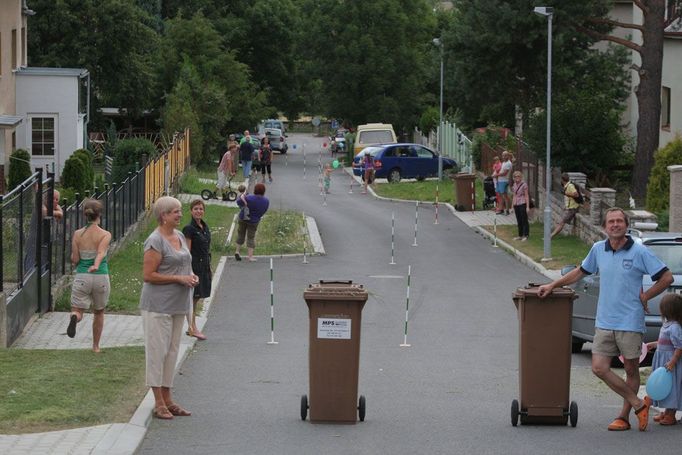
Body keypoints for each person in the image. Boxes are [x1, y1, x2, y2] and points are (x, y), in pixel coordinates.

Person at [538, 208, 674, 431]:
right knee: (599, 368)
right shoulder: (598, 249)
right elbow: (580, 272)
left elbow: (666, 277)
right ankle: (639, 403)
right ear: (604, 227)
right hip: (604, 320)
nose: (615, 225)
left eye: (619, 221)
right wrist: (552, 285)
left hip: (630, 321)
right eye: (611, 221)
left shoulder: (639, 252)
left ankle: (623, 416)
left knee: (630, 369)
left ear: (626, 225)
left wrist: (646, 295)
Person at [140, 196, 197, 420]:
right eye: (175, 211)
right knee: (158, 353)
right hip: (158, 306)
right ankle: (158, 402)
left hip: (179, 304)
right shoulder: (155, 241)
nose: (180, 214)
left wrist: (191, 276)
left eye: (180, 211)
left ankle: (169, 398)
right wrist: (179, 279)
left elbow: (184, 264)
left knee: (172, 352)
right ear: (163, 216)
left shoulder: (180, 236)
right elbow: (148, 275)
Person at [66, 198, 112, 352]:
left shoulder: (77, 234)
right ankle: (96, 346)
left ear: (85, 214)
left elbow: (75, 259)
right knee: (98, 312)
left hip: (82, 277)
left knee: (77, 309)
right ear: (100, 214)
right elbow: (101, 252)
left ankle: (75, 318)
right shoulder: (105, 234)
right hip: (100, 276)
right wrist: (97, 265)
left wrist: (76, 260)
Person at [647, 293, 682, 425]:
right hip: (662, 361)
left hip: (670, 363)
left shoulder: (675, 327)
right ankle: (666, 412)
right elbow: (665, 342)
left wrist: (673, 361)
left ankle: (671, 414)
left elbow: (679, 346)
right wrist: (654, 344)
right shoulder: (667, 324)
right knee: (664, 386)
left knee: (672, 387)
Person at [182, 200, 211, 341]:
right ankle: (192, 328)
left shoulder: (204, 227)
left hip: (205, 266)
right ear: (191, 211)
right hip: (195, 267)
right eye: (195, 209)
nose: (199, 211)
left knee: (197, 298)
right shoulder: (189, 229)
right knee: (193, 298)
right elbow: (187, 251)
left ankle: (191, 327)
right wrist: (189, 270)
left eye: (201, 209)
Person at [234, 183, 269, 262]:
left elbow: (239, 202)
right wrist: (258, 216)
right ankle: (250, 257)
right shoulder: (266, 201)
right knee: (250, 237)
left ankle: (237, 251)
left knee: (241, 234)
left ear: (255, 190)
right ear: (264, 191)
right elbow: (264, 210)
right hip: (254, 221)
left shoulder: (249, 197)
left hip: (243, 218)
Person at [551, 173, 580, 238]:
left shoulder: (570, 186)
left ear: (562, 180)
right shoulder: (566, 186)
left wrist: (567, 194)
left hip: (573, 208)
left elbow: (576, 195)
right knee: (561, 222)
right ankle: (551, 235)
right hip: (569, 208)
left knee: (562, 222)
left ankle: (551, 236)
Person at [511, 171, 530, 241]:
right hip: (516, 203)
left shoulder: (524, 184)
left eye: (518, 176)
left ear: (521, 177)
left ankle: (526, 235)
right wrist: (512, 206)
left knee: (524, 219)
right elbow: (514, 195)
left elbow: (526, 195)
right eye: (515, 176)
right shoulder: (514, 185)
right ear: (513, 178)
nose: (517, 178)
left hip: (522, 203)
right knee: (519, 220)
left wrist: (527, 207)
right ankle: (520, 235)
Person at [494, 151, 512, 215]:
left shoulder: (508, 163)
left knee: (505, 196)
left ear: (508, 156)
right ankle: (501, 209)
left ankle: (507, 210)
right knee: (500, 195)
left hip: (504, 181)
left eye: (505, 155)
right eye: (503, 155)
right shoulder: (504, 162)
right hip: (500, 180)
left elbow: (505, 173)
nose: (503, 157)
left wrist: (496, 175)